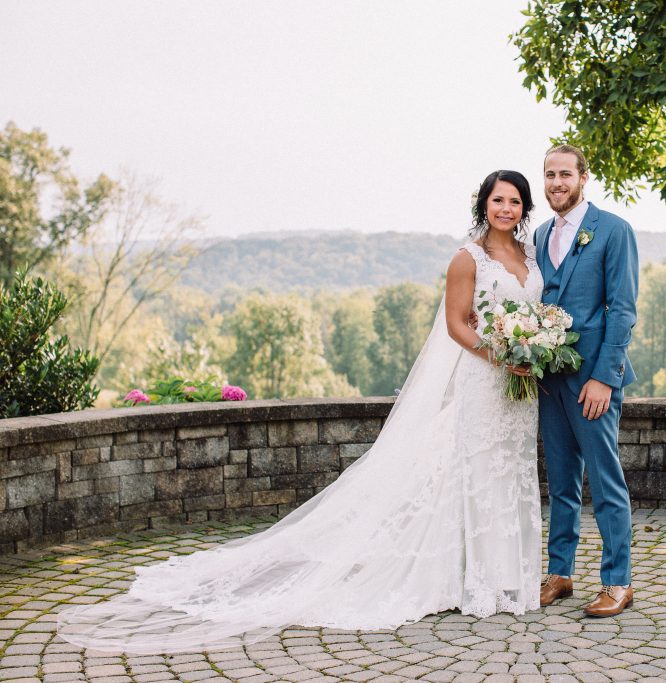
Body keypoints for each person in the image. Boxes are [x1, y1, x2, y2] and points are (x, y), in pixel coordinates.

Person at [57, 170, 544, 654]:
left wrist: (535, 348)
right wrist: (501, 356)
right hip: (485, 379)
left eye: (515, 202)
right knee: (475, 471)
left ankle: (507, 578)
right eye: (498, 200)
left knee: (511, 472)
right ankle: (470, 580)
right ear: (483, 205)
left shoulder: (529, 255)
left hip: (523, 390)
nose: (506, 209)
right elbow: (457, 325)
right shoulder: (466, 259)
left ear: (524, 209)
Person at [533, 144, 639, 617]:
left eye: (565, 175)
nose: (557, 183)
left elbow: (622, 310)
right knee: (560, 483)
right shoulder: (538, 235)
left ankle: (618, 581)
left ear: (583, 178)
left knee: (605, 479)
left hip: (593, 379)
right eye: (550, 175)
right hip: (549, 381)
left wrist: (604, 379)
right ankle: (560, 572)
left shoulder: (613, 230)